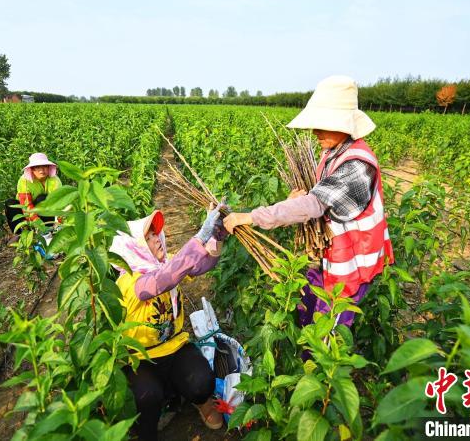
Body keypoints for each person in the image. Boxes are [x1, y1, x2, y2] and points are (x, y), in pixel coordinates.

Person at [223, 75, 394, 329]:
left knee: (328, 336)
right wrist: (298, 200)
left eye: (323, 124)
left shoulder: (358, 166)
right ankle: (306, 361)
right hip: (326, 257)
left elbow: (315, 204)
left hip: (348, 268)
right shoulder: (333, 151)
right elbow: (317, 197)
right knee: (308, 316)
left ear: (345, 124)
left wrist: (251, 216)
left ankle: (318, 366)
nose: (315, 132)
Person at [109, 205, 227, 440]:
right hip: (140, 358)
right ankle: (146, 431)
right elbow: (163, 280)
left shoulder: (167, 263)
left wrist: (217, 236)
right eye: (149, 237)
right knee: (146, 397)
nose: (157, 239)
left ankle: (200, 402)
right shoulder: (129, 282)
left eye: (156, 234)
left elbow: (202, 265)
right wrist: (199, 237)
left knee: (203, 382)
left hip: (173, 347)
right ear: (135, 249)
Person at [4, 153, 62, 233]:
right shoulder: (24, 181)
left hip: (45, 211)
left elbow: (59, 203)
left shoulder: (54, 180)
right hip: (25, 211)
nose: (41, 170)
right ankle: (21, 234)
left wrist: (59, 222)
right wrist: (38, 223)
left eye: (44, 166)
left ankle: (48, 231)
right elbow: (26, 205)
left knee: (43, 199)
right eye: (37, 167)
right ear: (32, 169)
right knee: (10, 204)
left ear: (48, 167)